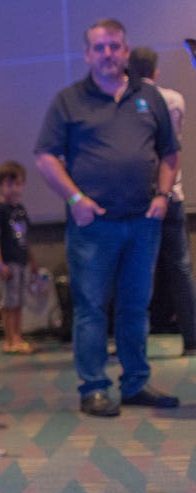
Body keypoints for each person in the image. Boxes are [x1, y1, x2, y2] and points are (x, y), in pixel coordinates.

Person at [34, 18, 180, 418]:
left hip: (143, 221)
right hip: (92, 225)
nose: (108, 54)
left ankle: (135, 382)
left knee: (136, 307)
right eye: (99, 47)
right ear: (87, 54)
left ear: (126, 51)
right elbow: (45, 157)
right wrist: (75, 198)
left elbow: (170, 152)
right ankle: (94, 387)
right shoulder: (69, 101)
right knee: (91, 308)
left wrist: (163, 196)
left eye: (115, 46)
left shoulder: (149, 97)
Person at [128, 46, 196, 357]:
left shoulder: (128, 103)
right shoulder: (175, 99)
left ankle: (132, 342)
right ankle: (192, 338)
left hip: (141, 198)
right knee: (181, 269)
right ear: (156, 71)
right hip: (173, 195)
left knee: (136, 272)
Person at [0, 160, 38, 355]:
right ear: (0, 186)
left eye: (17, 184)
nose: (14, 189)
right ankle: (9, 340)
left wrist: (32, 262)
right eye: (9, 184)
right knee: (9, 302)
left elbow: (26, 237)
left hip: (22, 261)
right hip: (9, 263)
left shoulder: (21, 210)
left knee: (19, 302)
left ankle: (17, 337)